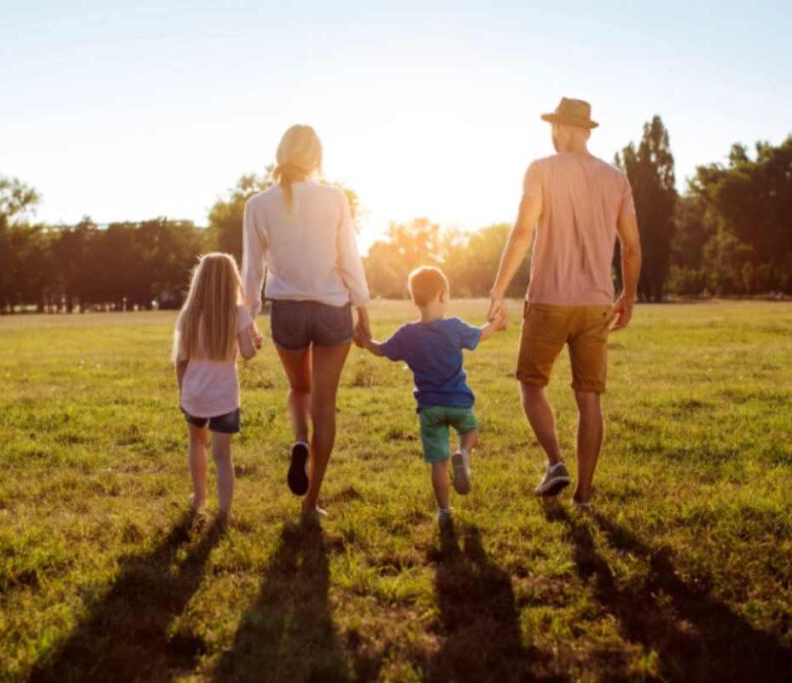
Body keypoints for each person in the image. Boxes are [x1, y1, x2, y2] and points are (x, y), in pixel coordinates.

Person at [487, 97, 642, 511]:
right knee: (589, 400)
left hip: (548, 300)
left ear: (559, 128)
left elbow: (523, 233)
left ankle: (555, 462)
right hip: (596, 305)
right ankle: (584, 496)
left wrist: (498, 289)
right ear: (586, 131)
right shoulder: (616, 178)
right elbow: (631, 247)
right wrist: (628, 296)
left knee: (531, 384)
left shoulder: (541, 169)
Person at [242, 124, 371, 519]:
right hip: (332, 309)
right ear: (316, 156)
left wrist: (248, 318)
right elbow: (349, 257)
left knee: (300, 388)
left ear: (281, 153)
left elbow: (252, 270)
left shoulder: (258, 204)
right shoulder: (334, 198)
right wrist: (363, 310)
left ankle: (300, 440)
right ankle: (311, 502)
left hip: (288, 312)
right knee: (325, 405)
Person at [357, 266, 506, 523]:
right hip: (458, 403)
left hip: (429, 408)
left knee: (439, 462)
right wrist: (496, 323)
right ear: (443, 295)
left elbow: (380, 350)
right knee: (470, 432)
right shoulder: (453, 327)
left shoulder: (407, 334)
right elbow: (481, 334)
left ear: (414, 300)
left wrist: (365, 340)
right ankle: (464, 453)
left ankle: (444, 511)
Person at [174, 252, 262, 522]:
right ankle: (224, 512)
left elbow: (180, 360)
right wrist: (254, 342)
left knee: (196, 443)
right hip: (224, 397)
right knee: (223, 456)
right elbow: (248, 353)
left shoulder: (188, 315)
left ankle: (199, 499)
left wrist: (182, 392)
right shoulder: (238, 313)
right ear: (232, 280)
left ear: (200, 280)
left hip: (194, 394)